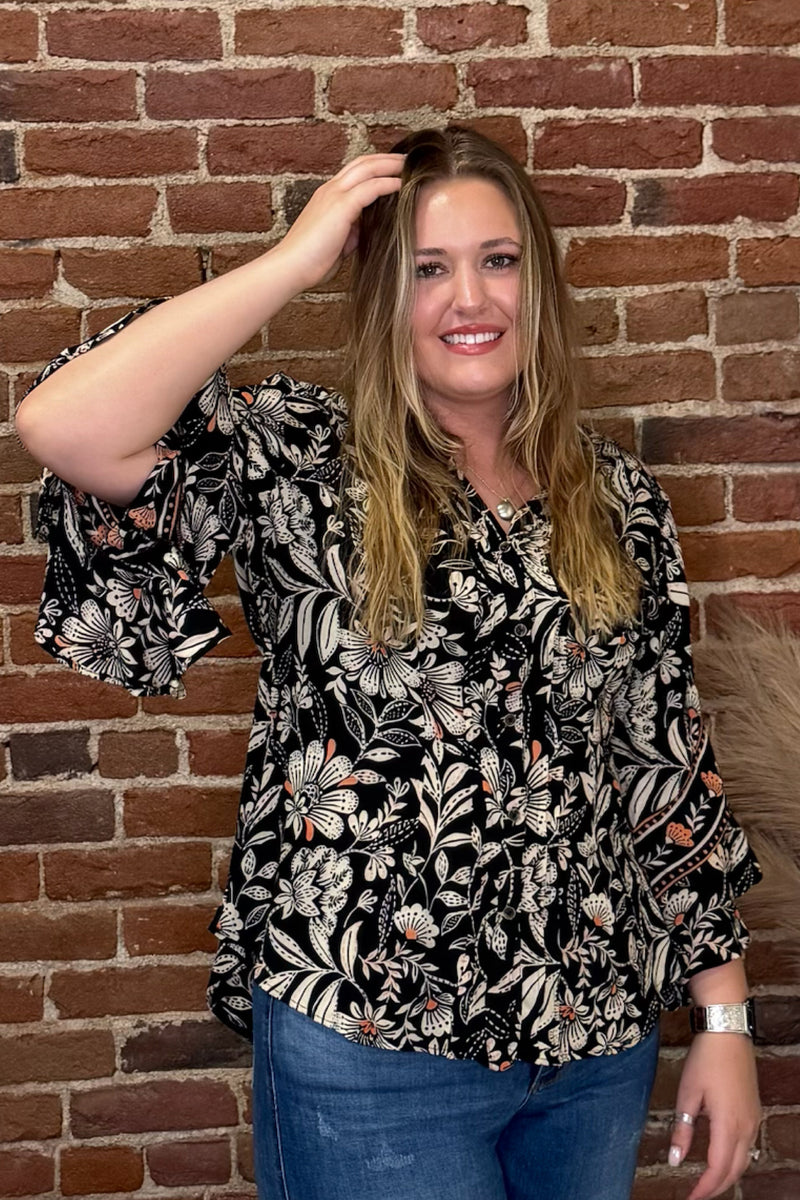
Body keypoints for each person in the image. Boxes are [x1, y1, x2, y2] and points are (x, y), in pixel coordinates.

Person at [16, 126, 762, 1200]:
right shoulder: (300, 462)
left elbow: (663, 763)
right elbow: (63, 423)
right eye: (426, 268)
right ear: (378, 296)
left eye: (498, 261)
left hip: (592, 1041)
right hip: (368, 1041)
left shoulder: (616, 498)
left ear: (539, 284)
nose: (471, 299)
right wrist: (295, 259)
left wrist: (724, 1020)